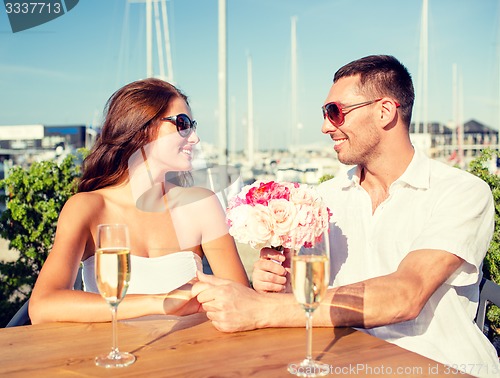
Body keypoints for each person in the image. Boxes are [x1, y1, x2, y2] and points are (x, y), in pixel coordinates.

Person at [193, 55, 500, 376]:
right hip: (344, 363)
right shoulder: (322, 200)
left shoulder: (461, 192)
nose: (325, 126)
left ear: (384, 111)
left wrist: (262, 310)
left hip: (440, 365)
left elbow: (405, 295)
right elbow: (306, 300)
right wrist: (274, 282)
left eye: (334, 112)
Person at [29, 78, 249, 324]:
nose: (195, 138)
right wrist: (161, 302)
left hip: (192, 357)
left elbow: (242, 303)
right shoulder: (87, 208)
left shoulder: (201, 205)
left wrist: (266, 285)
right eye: (183, 124)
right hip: (115, 357)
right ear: (142, 127)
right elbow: (42, 306)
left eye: (192, 125)